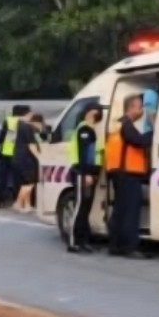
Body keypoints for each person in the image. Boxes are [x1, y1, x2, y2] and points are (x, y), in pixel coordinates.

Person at [104, 94, 154, 259]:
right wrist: (155, 131)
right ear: (131, 108)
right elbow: (139, 141)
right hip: (127, 174)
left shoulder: (118, 124)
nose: (141, 110)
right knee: (130, 212)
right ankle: (129, 247)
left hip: (119, 173)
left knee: (120, 210)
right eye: (140, 107)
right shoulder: (126, 126)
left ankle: (115, 245)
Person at [67, 103, 104, 254]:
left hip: (89, 174)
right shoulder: (84, 129)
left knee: (85, 208)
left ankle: (83, 241)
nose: (100, 114)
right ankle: (74, 242)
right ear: (91, 112)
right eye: (99, 111)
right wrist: (86, 174)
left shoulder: (90, 130)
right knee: (80, 208)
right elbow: (85, 155)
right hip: (83, 173)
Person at [0, 104, 31, 207]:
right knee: (18, 178)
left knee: (3, 177)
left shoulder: (8, 120)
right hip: (18, 153)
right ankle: (18, 199)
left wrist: (0, 147)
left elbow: (3, 136)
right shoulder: (23, 122)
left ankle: (0, 200)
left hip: (6, 152)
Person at [12, 112, 45, 212]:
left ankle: (27, 205)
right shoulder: (28, 128)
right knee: (29, 184)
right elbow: (31, 146)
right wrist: (40, 158)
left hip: (20, 159)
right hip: (26, 160)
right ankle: (18, 203)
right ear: (37, 122)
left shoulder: (23, 127)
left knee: (25, 183)